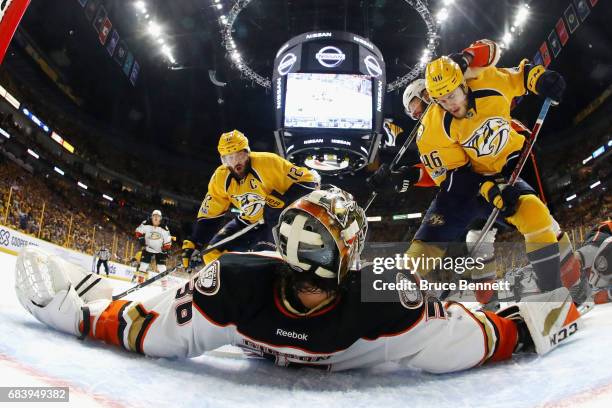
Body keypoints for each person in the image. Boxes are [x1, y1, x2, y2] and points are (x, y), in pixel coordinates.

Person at [14, 187, 581, 372]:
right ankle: (515, 263)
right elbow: (479, 338)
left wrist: (85, 316)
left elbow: (147, 328)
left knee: (446, 270)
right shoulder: (380, 296)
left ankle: (508, 264)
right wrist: (534, 325)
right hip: (362, 312)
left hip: (270, 333)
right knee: (443, 274)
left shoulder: (238, 282)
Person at [370, 39, 568, 300]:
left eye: (423, 106)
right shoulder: (431, 131)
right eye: (415, 113)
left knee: (538, 216)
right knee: (442, 247)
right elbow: (452, 175)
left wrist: (538, 79)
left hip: (508, 164)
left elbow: (511, 66)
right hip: (468, 188)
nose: (447, 104)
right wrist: (406, 176)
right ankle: (398, 303)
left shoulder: (484, 81)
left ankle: (562, 282)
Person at [181, 130, 318, 269]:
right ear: (223, 160)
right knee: (211, 254)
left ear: (247, 152)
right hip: (248, 221)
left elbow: (309, 181)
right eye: (229, 158)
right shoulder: (220, 178)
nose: (235, 163)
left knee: (262, 260)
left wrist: (283, 204)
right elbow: (210, 215)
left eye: (239, 155)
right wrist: (195, 242)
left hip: (277, 224)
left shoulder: (269, 162)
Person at [134, 210, 172, 287]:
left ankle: (164, 286)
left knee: (162, 268)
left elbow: (168, 242)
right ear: (151, 217)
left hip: (160, 250)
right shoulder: (145, 223)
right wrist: (141, 238)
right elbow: (138, 231)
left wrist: (166, 249)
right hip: (148, 248)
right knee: (143, 265)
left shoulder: (164, 228)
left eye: (157, 216)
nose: (156, 217)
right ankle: (139, 283)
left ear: (160, 218)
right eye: (154, 216)